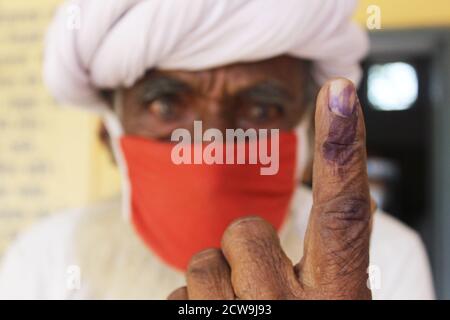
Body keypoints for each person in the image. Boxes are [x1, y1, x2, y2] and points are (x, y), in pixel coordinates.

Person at [0, 0, 434, 299]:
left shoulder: (384, 259)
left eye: (262, 109)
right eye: (165, 104)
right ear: (108, 136)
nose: (212, 145)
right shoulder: (42, 259)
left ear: (305, 133)